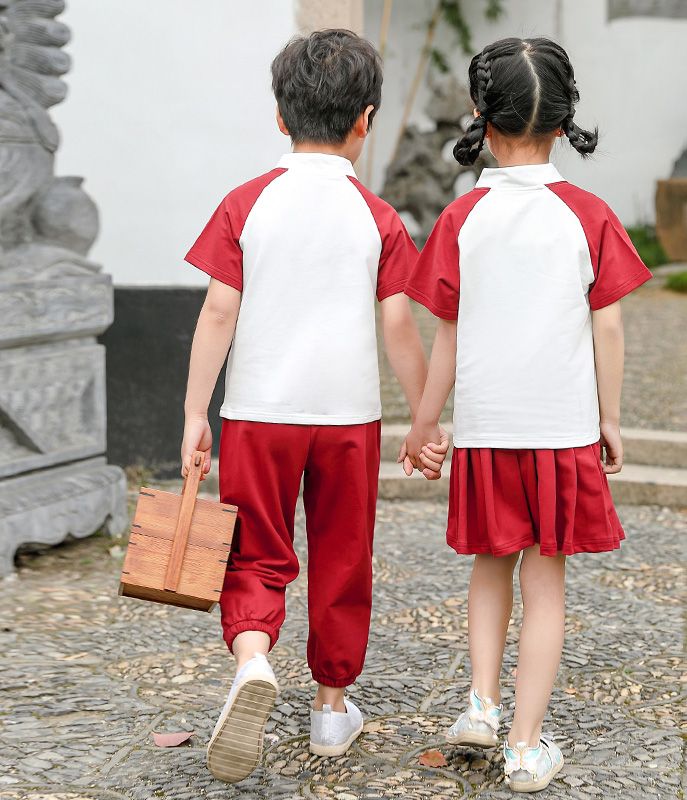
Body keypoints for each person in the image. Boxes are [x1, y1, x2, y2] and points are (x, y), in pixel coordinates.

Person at [181, 29, 446, 783]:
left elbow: (217, 313)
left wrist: (197, 412)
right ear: (365, 119)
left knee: (255, 550)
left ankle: (253, 660)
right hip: (348, 419)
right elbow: (398, 323)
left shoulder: (245, 203)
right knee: (342, 556)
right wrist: (424, 421)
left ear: (278, 116)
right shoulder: (378, 216)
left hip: (259, 412)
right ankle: (331, 709)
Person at [402, 37, 652, 793]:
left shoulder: (464, 215)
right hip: (559, 430)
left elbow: (446, 332)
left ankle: (480, 701)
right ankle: (525, 745)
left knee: (489, 568)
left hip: (484, 431)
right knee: (546, 586)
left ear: (480, 116)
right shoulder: (587, 215)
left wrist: (423, 422)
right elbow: (607, 326)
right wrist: (610, 417)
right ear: (566, 115)